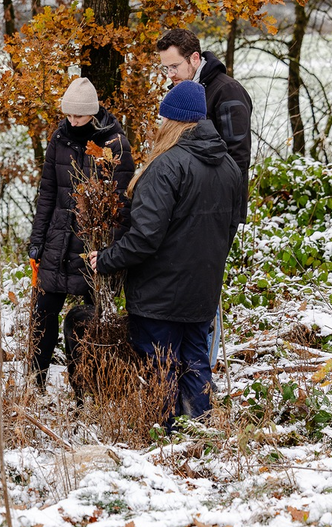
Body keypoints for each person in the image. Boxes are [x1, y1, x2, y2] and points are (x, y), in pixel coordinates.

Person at [88, 81, 242, 427]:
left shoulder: (166, 166)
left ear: (174, 120)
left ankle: (166, 440)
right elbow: (229, 230)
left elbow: (144, 237)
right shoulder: (231, 168)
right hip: (202, 291)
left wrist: (107, 259)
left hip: (159, 294)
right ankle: (200, 435)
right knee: (196, 363)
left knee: (161, 368)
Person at [27, 77, 134, 390]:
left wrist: (112, 251)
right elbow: (47, 193)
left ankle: (86, 386)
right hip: (58, 239)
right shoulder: (59, 138)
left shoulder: (115, 143)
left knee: (91, 318)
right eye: (69, 115)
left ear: (93, 112)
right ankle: (35, 382)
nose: (72, 121)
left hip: (94, 244)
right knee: (43, 314)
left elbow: (122, 204)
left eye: (79, 116)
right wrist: (37, 240)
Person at [157, 28, 252, 367]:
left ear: (195, 59)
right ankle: (186, 364)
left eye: (174, 66)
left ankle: (205, 369)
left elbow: (237, 160)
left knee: (206, 289)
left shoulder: (227, 92)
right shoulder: (183, 91)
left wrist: (214, 207)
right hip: (188, 208)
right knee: (185, 284)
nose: (169, 75)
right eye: (165, 68)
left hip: (218, 212)